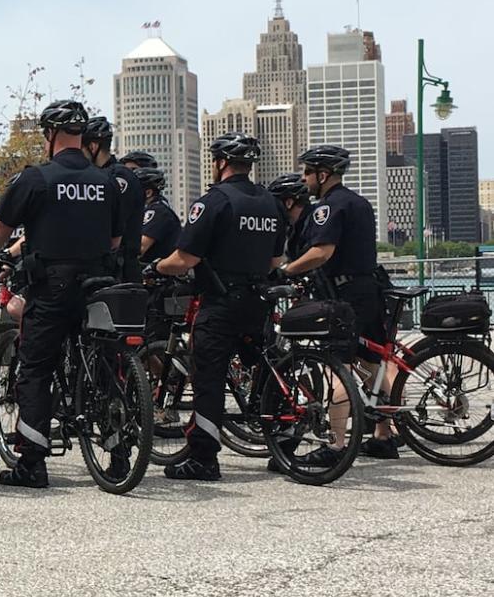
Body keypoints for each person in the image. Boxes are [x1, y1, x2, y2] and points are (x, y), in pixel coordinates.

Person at [0, 99, 121, 488]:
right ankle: (118, 451)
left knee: (35, 369)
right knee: (104, 360)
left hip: (52, 287)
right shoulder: (106, 180)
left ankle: (32, 463)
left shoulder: (36, 178)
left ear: (50, 135)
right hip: (99, 285)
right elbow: (117, 237)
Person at [148, 133, 286, 481]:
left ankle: (204, 458)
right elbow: (276, 258)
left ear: (221, 163)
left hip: (221, 301)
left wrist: (156, 268)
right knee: (265, 368)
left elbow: (185, 257)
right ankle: (284, 439)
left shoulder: (214, 201)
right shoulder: (271, 203)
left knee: (207, 377)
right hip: (259, 300)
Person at [284, 145, 398, 459]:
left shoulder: (328, 207)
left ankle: (335, 445)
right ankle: (383, 435)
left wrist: (286, 271)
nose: (305, 178)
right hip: (369, 290)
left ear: (323, 174)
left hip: (344, 296)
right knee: (370, 365)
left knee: (338, 368)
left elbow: (321, 252)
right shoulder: (360, 202)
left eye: (308, 172)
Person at [83, 115, 143, 283]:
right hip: (107, 268)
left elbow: (111, 224)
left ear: (93, 147)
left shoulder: (118, 176)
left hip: (120, 270)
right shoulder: (104, 175)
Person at [135, 166, 180, 265]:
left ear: (148, 193)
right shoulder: (157, 208)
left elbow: (140, 247)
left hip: (157, 276)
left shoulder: (157, 212)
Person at [267, 172, 313, 262]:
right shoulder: (294, 228)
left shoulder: (313, 225)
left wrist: (286, 271)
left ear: (289, 203)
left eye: (277, 204)